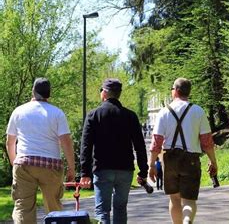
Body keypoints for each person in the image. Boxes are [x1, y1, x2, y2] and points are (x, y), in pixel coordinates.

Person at [5, 77, 75, 224]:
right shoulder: (57, 113)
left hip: (24, 163)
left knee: (23, 207)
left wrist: (15, 163)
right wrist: (71, 168)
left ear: (33, 91)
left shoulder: (19, 111)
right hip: (50, 165)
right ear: (49, 95)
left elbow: (10, 142)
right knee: (53, 206)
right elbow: (66, 142)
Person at [148, 78, 218, 224]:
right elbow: (207, 141)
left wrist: (152, 165)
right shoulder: (198, 111)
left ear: (176, 91)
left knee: (174, 198)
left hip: (170, 159)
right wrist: (213, 161)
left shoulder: (164, 112)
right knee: (189, 200)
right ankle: (187, 222)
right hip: (191, 159)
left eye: (172, 89)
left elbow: (156, 142)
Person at [79, 78, 148, 224]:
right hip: (125, 170)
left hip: (102, 169)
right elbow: (139, 145)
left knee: (102, 210)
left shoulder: (93, 115)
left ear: (104, 93)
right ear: (119, 94)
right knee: (121, 208)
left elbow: (86, 146)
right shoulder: (130, 116)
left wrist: (85, 172)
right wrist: (143, 170)